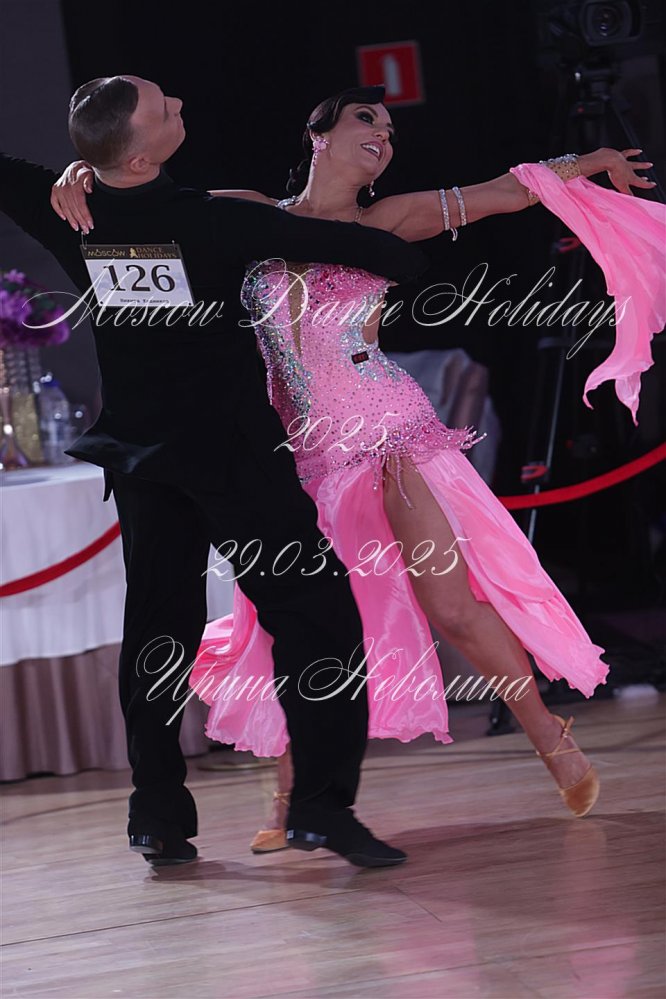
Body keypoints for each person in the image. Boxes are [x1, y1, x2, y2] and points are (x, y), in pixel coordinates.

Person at [51, 86, 663, 854]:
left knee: (452, 604)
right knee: (289, 623)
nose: (383, 135)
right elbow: (138, 193)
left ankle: (550, 736)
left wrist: (591, 159)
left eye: (391, 128)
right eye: (365, 120)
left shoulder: (391, 217)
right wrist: (83, 171)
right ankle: (291, 792)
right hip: (299, 454)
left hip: (391, 432)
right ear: (318, 135)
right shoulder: (247, 213)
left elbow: (508, 191)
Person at [1, 76, 430, 869]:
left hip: (144, 461)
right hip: (231, 460)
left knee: (157, 631)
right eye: (165, 109)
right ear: (139, 154)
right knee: (318, 616)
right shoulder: (212, 221)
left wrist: (80, 172)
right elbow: (362, 248)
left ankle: (156, 814)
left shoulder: (73, 211)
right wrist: (397, 254)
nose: (181, 108)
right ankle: (321, 808)